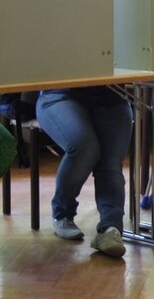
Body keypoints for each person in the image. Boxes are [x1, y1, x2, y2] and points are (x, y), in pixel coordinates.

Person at [36, 87, 133, 257]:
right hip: (59, 95)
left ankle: (111, 228)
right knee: (84, 147)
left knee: (110, 163)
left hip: (112, 98)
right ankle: (62, 214)